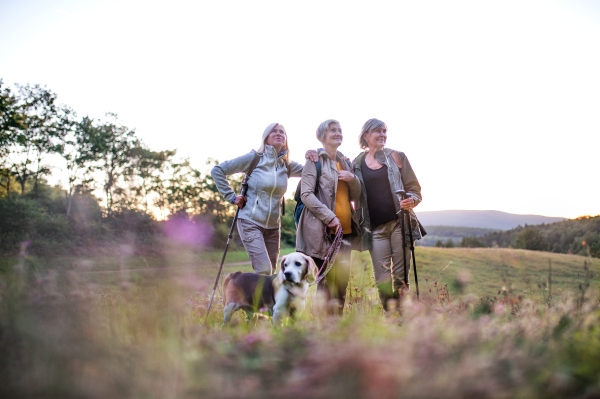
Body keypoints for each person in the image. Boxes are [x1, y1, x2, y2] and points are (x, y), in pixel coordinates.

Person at [211, 123, 303, 275]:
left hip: (273, 226)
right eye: (274, 131)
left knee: (272, 273)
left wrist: (315, 154)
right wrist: (231, 197)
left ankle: (259, 299)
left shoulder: (286, 165)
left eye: (282, 132)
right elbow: (218, 170)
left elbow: (312, 171)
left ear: (285, 140)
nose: (279, 133)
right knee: (264, 270)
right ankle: (247, 297)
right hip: (250, 221)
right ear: (266, 138)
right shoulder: (254, 158)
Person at [352, 118, 424, 310]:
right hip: (374, 229)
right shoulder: (356, 163)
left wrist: (412, 200)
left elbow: (414, 189)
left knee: (401, 278)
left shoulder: (396, 156)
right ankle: (390, 316)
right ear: (366, 135)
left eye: (385, 131)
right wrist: (315, 153)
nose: (383, 135)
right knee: (382, 280)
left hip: (400, 225)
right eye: (378, 131)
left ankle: (399, 321)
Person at [296, 119, 361, 314]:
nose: (338, 133)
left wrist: (353, 179)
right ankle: (324, 329)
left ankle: (336, 330)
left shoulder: (346, 162)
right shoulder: (314, 161)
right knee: (326, 284)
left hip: (346, 232)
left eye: (340, 130)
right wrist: (330, 218)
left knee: (341, 283)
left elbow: (357, 196)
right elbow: (305, 195)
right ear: (323, 136)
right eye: (333, 130)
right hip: (323, 231)